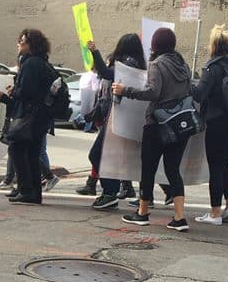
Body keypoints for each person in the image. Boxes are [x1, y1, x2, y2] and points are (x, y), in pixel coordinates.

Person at [117, 27, 192, 232]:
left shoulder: (157, 64)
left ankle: (142, 212)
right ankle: (179, 217)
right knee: (173, 169)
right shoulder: (183, 66)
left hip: (158, 123)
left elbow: (153, 92)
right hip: (180, 124)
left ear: (156, 45)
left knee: (148, 168)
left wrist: (126, 91)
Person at [80, 35, 146, 210]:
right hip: (125, 118)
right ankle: (111, 191)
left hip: (118, 117)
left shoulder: (128, 65)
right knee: (113, 157)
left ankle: (110, 193)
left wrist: (95, 52)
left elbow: (106, 73)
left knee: (98, 154)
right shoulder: (138, 65)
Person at [191, 25, 228, 225]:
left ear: (213, 46)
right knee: (225, 164)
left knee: (215, 166)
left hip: (215, 121)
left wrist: (187, 84)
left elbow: (200, 94)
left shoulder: (212, 68)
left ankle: (214, 213)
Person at [0, 29, 54, 206]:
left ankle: (26, 190)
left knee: (17, 149)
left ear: (31, 45)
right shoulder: (42, 62)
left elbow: (27, 92)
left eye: (22, 41)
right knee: (32, 153)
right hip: (40, 117)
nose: (19, 44)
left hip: (30, 116)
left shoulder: (31, 64)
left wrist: (13, 91)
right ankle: (33, 192)